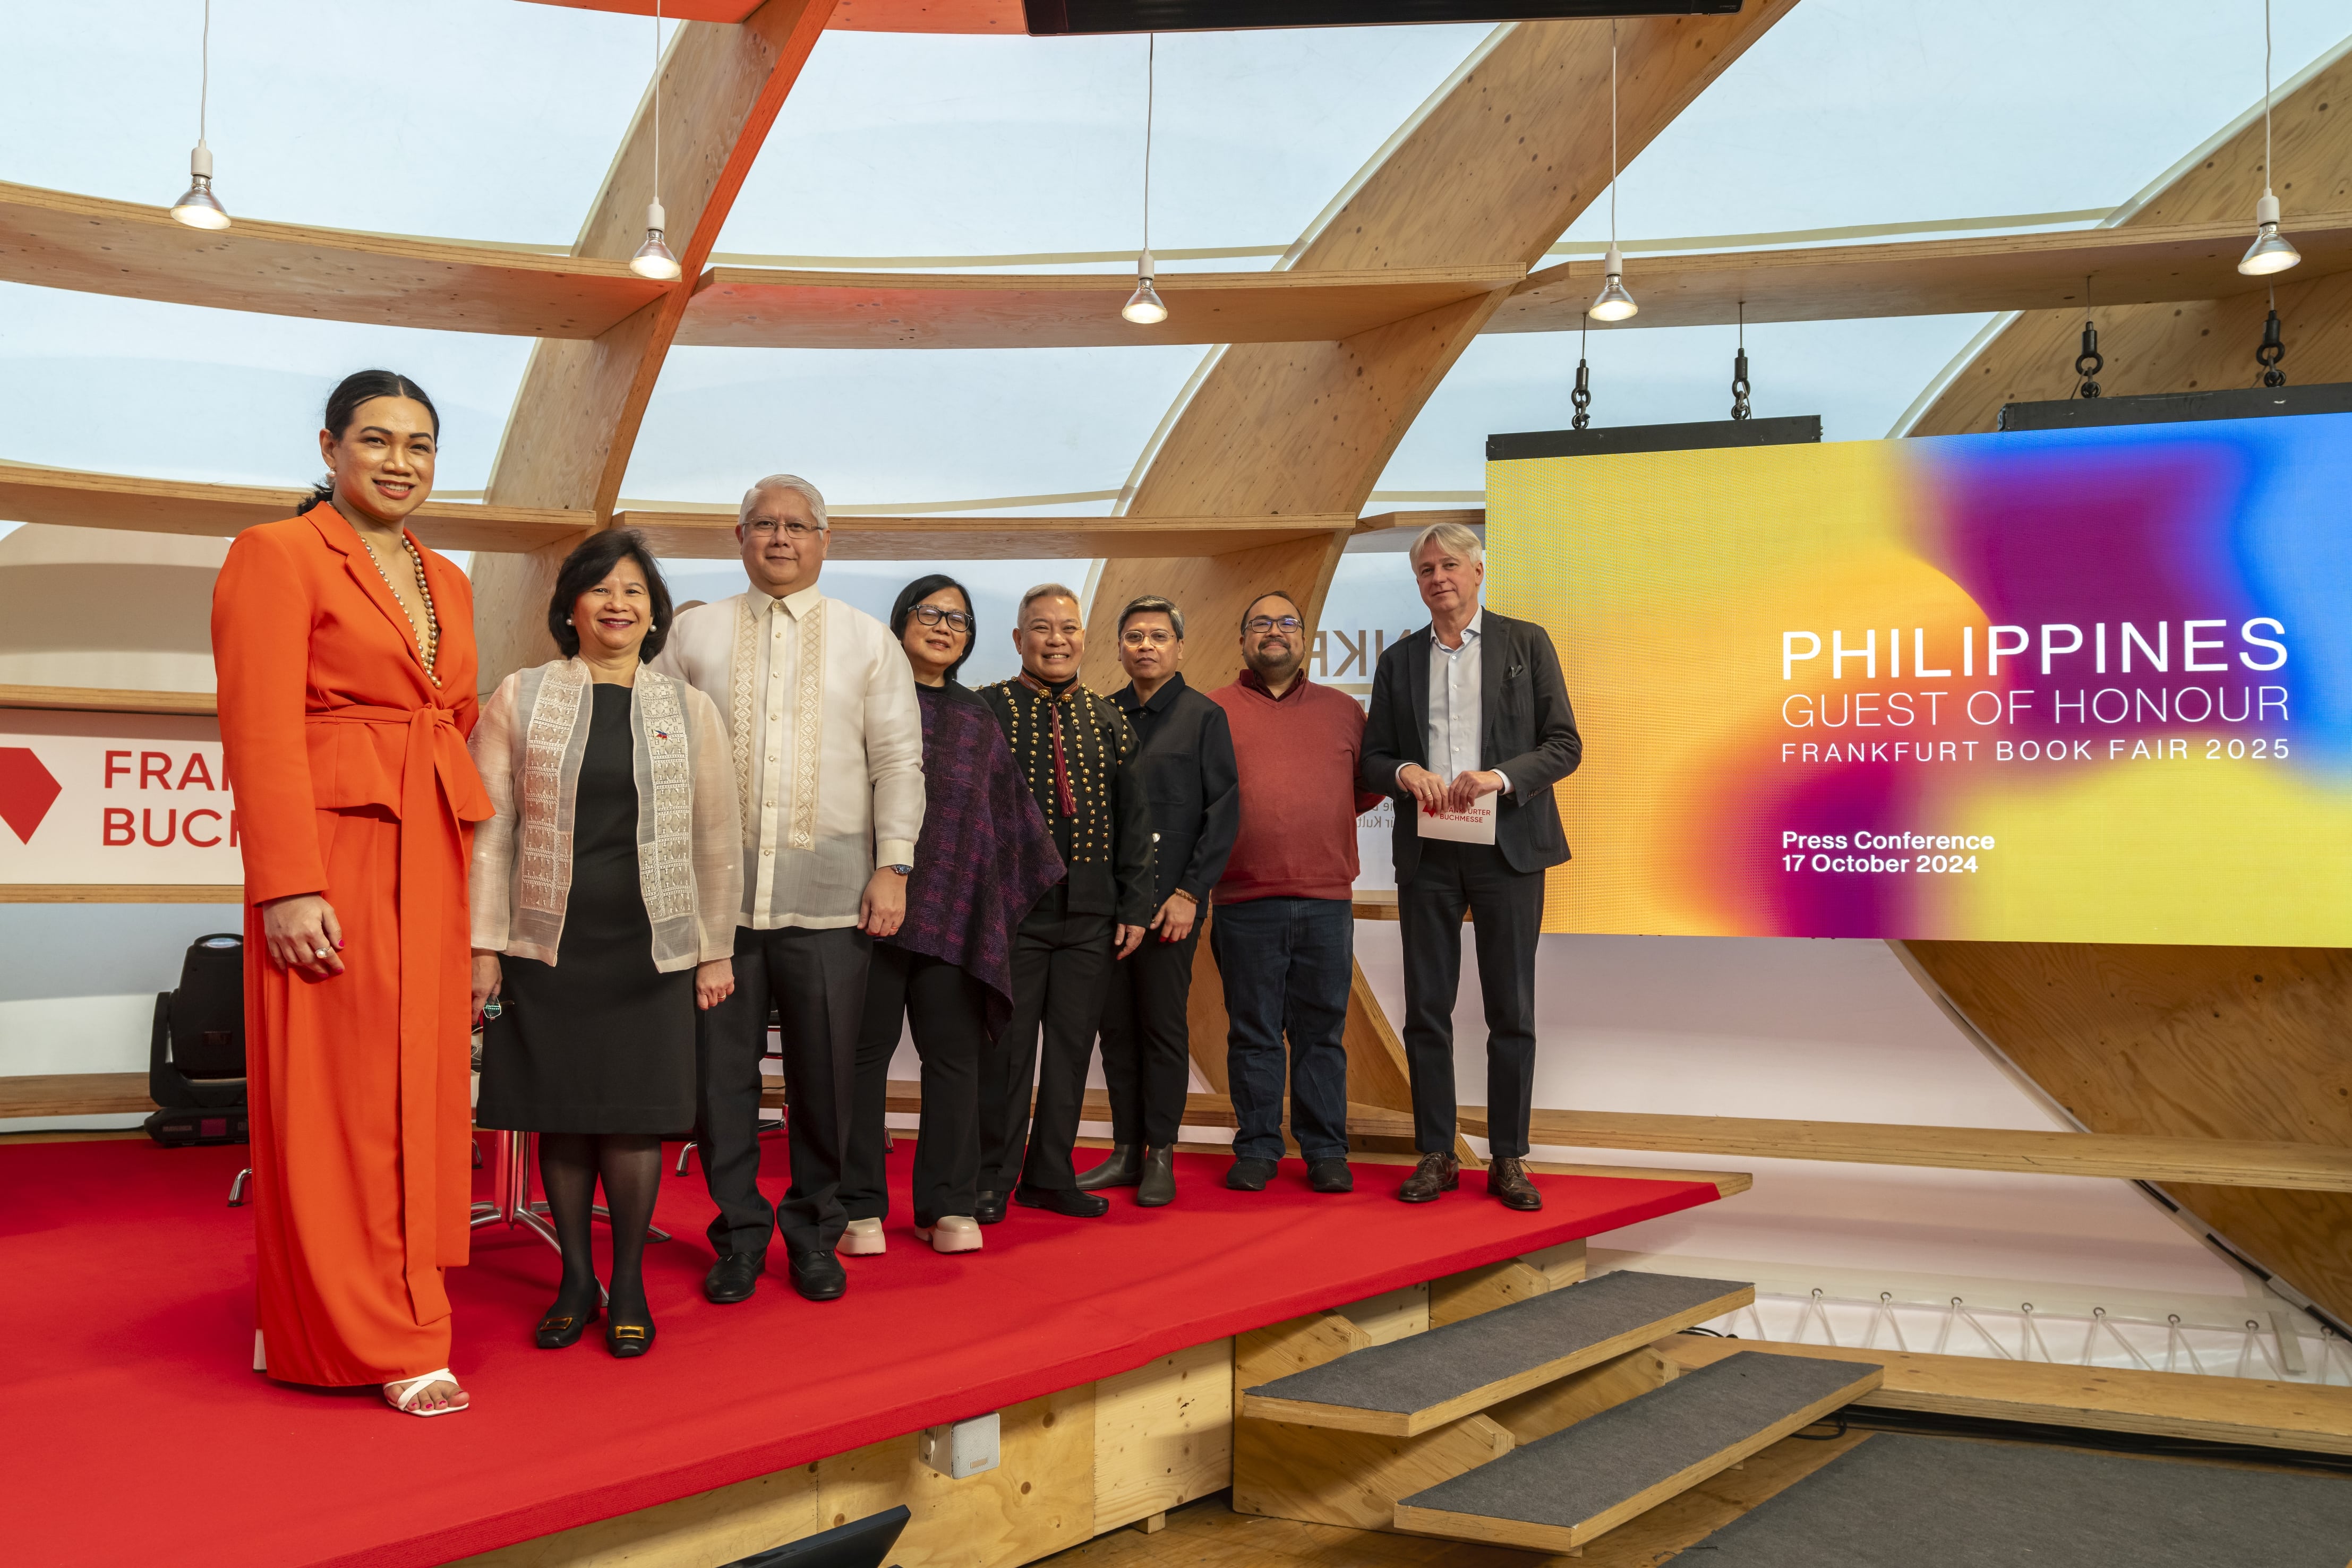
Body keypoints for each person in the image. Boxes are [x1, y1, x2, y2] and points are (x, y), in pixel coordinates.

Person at [211, 370, 494, 1417]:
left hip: (428, 846)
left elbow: (455, 717)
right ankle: (369, 1331)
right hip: (332, 854)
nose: (399, 462)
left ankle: (385, 1304)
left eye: (420, 444)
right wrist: (288, 883)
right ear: (330, 447)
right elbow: (258, 726)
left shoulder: (447, 578)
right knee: (339, 1099)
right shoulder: (276, 552)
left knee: (422, 1090)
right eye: (376, 439)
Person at [651, 476, 925, 1304]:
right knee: (719, 1081)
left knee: (826, 1079)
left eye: (797, 526)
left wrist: (894, 864)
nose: (780, 538)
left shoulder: (867, 640)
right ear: (738, 536)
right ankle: (738, 1235)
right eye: (764, 524)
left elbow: (898, 761)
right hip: (717, 906)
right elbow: (655, 750)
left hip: (831, 896)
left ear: (824, 540)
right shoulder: (692, 633)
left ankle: (814, 1233)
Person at [468, 531, 742, 1357]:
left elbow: (717, 835)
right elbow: (490, 832)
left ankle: (627, 1285)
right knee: (561, 1115)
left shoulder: (690, 709)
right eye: (600, 589)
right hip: (547, 942)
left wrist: (715, 947)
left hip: (650, 947)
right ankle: (575, 1281)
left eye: (634, 591)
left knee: (631, 1121)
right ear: (570, 608)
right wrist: (483, 945)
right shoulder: (520, 696)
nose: (618, 604)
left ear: (654, 613)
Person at [1361, 521, 1582, 1210]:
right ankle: (1437, 1153)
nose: (1438, 578)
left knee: (1510, 1009)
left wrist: (1500, 777)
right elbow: (1372, 758)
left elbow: (1564, 745)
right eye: (1426, 569)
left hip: (1508, 850)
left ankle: (1508, 1157)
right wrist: (1403, 772)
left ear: (1478, 571)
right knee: (1427, 1009)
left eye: (1450, 565)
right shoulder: (1398, 661)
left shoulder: (1525, 643)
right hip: (1428, 853)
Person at [839, 577, 1064, 1253]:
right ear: (900, 621)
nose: (944, 627)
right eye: (930, 613)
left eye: (959, 620)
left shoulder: (976, 716)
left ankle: (947, 1205)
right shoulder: (861, 700)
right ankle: (857, 1206)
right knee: (861, 1059)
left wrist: (985, 903)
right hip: (865, 908)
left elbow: (1003, 821)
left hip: (954, 913)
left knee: (954, 1060)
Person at [975, 585, 1155, 1222]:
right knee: (1006, 1050)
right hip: (1014, 914)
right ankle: (991, 1178)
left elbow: (1135, 824)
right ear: (1018, 638)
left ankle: (1049, 1175)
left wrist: (1134, 907)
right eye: (1042, 627)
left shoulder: (1109, 719)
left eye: (1068, 628)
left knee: (1072, 1051)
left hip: (1090, 915)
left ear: (1084, 637)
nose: (1056, 640)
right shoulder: (986, 710)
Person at [1208, 592, 1384, 1194]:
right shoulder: (1212, 710)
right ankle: (1257, 1146)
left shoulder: (1344, 710)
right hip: (1242, 901)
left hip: (1325, 900)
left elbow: (1363, 789)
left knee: (1321, 1033)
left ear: (1304, 638)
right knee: (1252, 1031)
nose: (1274, 631)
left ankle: (1325, 1149)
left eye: (1287, 622)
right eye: (1260, 622)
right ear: (1243, 640)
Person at [1076, 596, 1237, 1206]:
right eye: (1134, 636)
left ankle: (1161, 1153)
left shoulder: (1204, 717)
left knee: (1162, 1027)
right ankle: (1125, 1150)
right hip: (1109, 909)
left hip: (1171, 907)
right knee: (1115, 1030)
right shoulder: (1100, 714)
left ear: (1179, 647)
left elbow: (1222, 815)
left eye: (1158, 636)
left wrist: (1190, 893)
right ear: (1119, 648)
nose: (1146, 646)